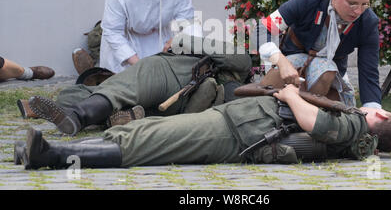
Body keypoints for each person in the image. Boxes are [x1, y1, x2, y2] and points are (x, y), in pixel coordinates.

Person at [16, 84, 391, 170]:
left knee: (148, 145)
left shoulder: (358, 129)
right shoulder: (359, 126)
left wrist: (290, 95)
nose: (375, 109)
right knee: (142, 129)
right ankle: (39, 149)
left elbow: (314, 122)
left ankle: (50, 156)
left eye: (380, 111)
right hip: (235, 121)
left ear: (383, 119)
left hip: (239, 136)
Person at [16, 36, 252, 136]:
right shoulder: (238, 73)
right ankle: (92, 115)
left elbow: (241, 61)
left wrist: (180, 40)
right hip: (170, 88)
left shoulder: (243, 83)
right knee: (88, 92)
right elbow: (240, 59)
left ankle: (78, 116)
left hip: (173, 93)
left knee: (118, 94)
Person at [256, 0, 381, 109]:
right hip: (290, 63)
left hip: (330, 75)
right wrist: (281, 61)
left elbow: (369, 72)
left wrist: (374, 112)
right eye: (352, 4)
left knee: (326, 70)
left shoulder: (368, 22)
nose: (358, 11)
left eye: (364, 4)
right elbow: (263, 30)